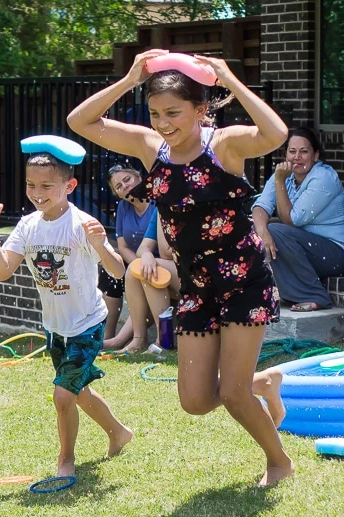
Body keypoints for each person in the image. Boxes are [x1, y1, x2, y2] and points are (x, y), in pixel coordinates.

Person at [67, 49, 293, 486]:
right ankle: (264, 383)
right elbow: (81, 122)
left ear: (201, 109)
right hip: (196, 286)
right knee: (194, 401)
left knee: (231, 394)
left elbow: (276, 132)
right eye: (154, 113)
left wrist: (229, 76)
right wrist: (131, 77)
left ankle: (278, 461)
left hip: (244, 280)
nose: (163, 123)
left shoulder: (224, 145)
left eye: (173, 112)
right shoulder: (153, 150)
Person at [0, 137, 133, 476]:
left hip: (87, 324)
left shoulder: (81, 224)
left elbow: (118, 270)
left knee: (63, 396)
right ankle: (119, 433)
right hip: (56, 327)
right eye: (31, 185)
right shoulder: (28, 225)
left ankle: (66, 462)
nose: (37, 192)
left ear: (69, 184)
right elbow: (3, 270)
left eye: (47, 186)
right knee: (78, 393)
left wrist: (100, 244)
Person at [252, 127, 344, 312]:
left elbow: (291, 221)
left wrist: (279, 182)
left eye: (304, 151)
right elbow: (261, 207)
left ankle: (315, 296)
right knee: (257, 232)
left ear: (315, 156)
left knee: (277, 231)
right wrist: (262, 232)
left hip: (338, 253)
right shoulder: (284, 175)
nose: (296, 157)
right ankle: (273, 293)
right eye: (292, 151)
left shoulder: (323, 178)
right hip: (306, 249)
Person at [100, 164, 158, 350]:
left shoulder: (158, 202)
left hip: (159, 262)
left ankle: (123, 340)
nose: (124, 186)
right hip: (138, 260)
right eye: (118, 186)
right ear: (117, 193)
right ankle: (108, 335)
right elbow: (123, 246)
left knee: (142, 278)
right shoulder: (123, 207)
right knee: (110, 272)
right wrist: (137, 264)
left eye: (127, 180)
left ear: (139, 177)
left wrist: (141, 266)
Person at [120, 211, 181, 352]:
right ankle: (138, 339)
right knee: (136, 269)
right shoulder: (161, 208)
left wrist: (162, 211)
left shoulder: (182, 204)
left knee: (153, 270)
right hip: (176, 274)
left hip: (199, 274)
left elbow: (166, 252)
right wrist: (147, 255)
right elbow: (143, 247)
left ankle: (164, 340)